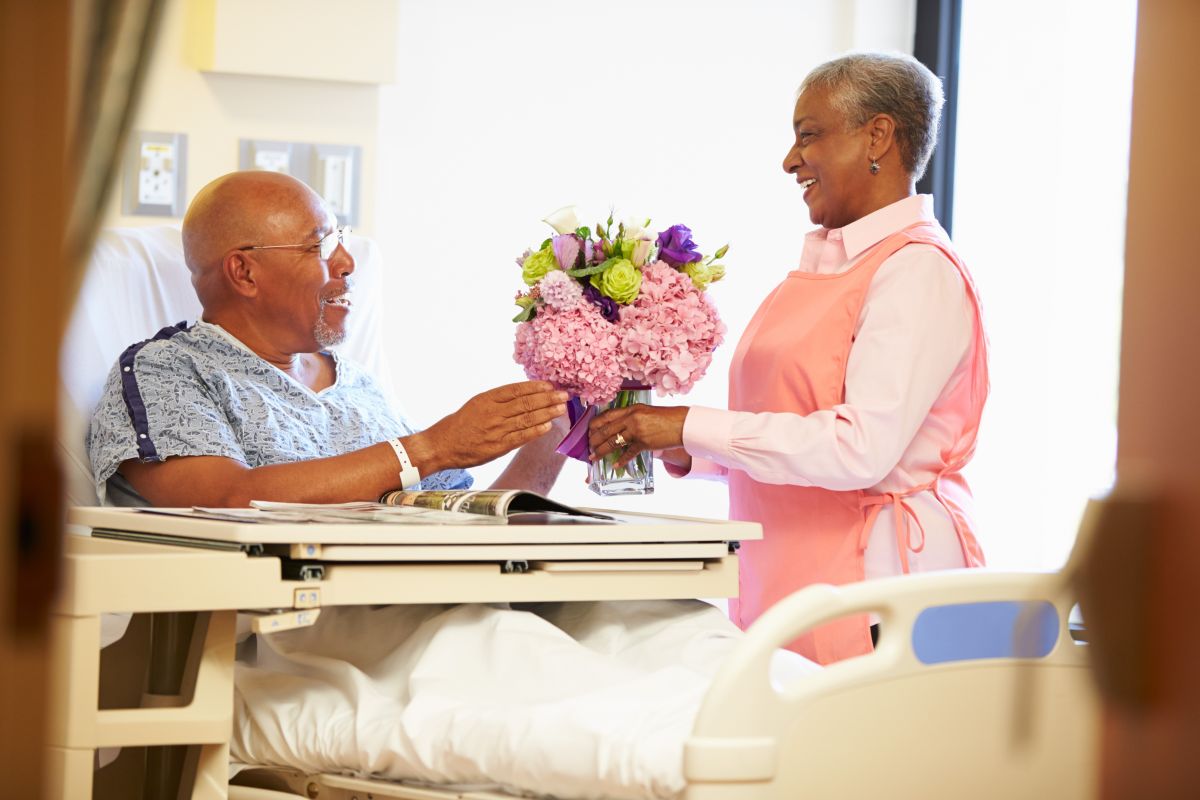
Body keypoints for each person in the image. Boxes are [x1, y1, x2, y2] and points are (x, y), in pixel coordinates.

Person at [587, 52, 989, 665]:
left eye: (809, 135)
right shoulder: (826, 269)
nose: (790, 160)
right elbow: (788, 433)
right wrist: (686, 449)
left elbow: (858, 450)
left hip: (876, 593)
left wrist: (691, 424)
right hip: (790, 578)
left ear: (878, 135)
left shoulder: (918, 271)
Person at [87, 170, 569, 506]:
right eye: (320, 245)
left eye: (342, 241)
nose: (346, 263)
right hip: (305, 621)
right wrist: (429, 448)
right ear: (244, 272)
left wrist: (553, 435)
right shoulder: (168, 371)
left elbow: (461, 524)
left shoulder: (358, 386)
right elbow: (224, 499)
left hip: (432, 601)